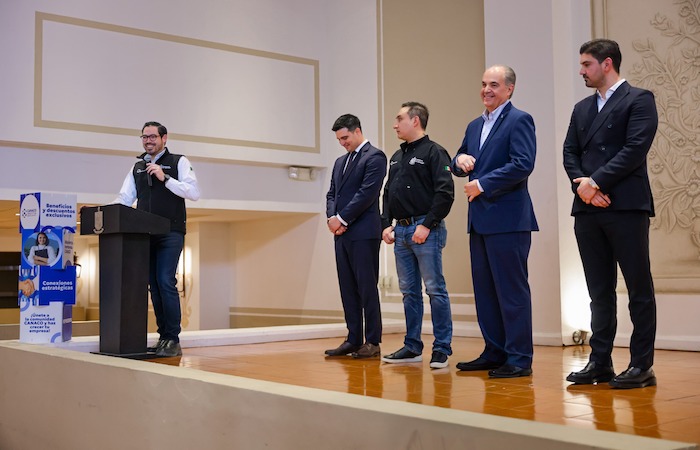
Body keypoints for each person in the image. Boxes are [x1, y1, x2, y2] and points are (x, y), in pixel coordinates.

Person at [563, 39, 659, 389]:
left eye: (586, 64)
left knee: (638, 288)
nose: (581, 71)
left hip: (626, 205)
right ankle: (599, 362)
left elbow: (635, 149)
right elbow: (569, 152)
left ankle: (641, 365)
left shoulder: (639, 99)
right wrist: (583, 188)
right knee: (598, 290)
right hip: (587, 209)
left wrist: (596, 182)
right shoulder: (581, 108)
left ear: (607, 64)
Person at [450, 65, 539, 379]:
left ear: (509, 89)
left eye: (494, 85)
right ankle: (494, 351)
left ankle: (519, 358)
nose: (486, 90)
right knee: (485, 291)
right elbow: (458, 162)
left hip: (508, 220)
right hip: (479, 221)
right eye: (484, 84)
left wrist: (483, 184)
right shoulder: (475, 125)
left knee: (512, 292)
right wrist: (458, 161)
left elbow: (523, 164)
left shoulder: (520, 120)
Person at [114, 121, 200, 357]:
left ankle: (173, 339)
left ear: (164, 138)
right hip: (146, 234)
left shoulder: (179, 162)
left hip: (171, 232)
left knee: (165, 280)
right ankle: (163, 338)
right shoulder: (137, 167)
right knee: (153, 284)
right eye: (145, 137)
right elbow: (124, 199)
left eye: (153, 136)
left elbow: (194, 193)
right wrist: (102, 210)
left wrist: (165, 178)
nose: (148, 141)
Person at [380, 101, 455, 369]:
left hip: (425, 229)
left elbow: (445, 193)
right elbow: (388, 192)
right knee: (409, 292)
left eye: (399, 119)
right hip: (400, 231)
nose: (394, 125)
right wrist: (385, 224)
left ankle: (442, 348)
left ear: (415, 120)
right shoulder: (396, 157)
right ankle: (412, 346)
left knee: (435, 289)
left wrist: (428, 225)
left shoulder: (435, 152)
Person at [324, 114, 387, 359]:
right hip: (341, 234)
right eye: (339, 139)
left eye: (345, 138)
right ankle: (353, 339)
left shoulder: (375, 157)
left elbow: (366, 194)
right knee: (347, 287)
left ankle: (372, 341)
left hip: (364, 233)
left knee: (366, 287)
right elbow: (332, 194)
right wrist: (332, 218)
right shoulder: (340, 162)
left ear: (357, 131)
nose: (342, 143)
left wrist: (341, 219)